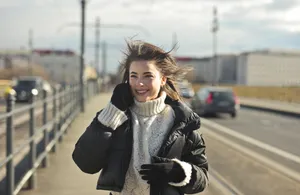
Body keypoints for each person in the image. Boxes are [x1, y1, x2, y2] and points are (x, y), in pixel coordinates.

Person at [72, 40, 209, 195]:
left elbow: (202, 178)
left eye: (147, 76)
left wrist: (180, 172)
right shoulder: (113, 117)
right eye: (134, 76)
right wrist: (111, 112)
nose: (140, 83)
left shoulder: (182, 122)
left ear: (163, 79)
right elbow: (85, 163)